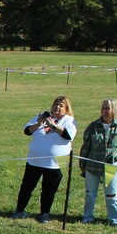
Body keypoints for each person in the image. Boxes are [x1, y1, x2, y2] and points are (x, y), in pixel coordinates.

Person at [12, 96, 78, 224]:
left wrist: (53, 126)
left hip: (54, 164)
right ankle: (19, 210)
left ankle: (44, 214)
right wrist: (39, 123)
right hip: (34, 161)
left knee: (48, 190)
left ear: (66, 109)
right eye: (56, 104)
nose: (57, 107)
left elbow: (68, 135)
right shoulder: (41, 116)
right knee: (26, 187)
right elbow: (27, 131)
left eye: (61, 105)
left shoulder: (69, 121)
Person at [78, 98, 117, 228]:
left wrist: (116, 157)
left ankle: (115, 220)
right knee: (90, 193)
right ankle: (87, 217)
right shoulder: (93, 126)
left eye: (107, 108)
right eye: (103, 108)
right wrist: (82, 163)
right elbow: (86, 147)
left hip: (111, 167)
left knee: (112, 195)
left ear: (114, 110)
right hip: (92, 166)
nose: (104, 111)